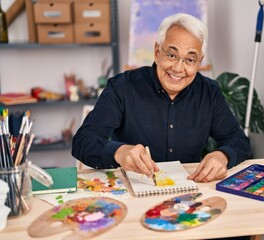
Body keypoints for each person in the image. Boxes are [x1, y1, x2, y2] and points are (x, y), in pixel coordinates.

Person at [72, 13, 251, 182]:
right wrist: (119, 152)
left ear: (199, 62)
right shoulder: (122, 87)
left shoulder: (209, 92)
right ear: (157, 51)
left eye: (190, 60)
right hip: (134, 188)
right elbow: (82, 142)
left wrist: (223, 155)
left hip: (189, 192)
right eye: (171, 55)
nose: (179, 68)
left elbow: (238, 141)